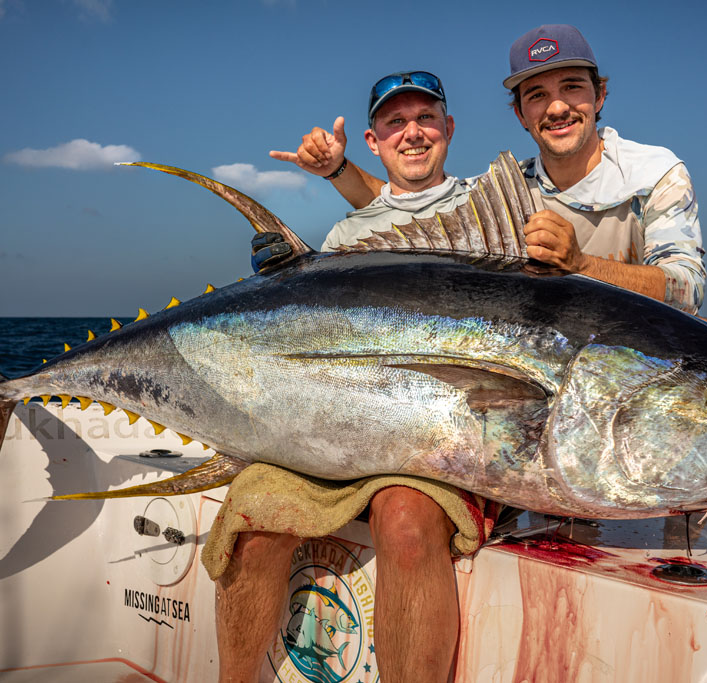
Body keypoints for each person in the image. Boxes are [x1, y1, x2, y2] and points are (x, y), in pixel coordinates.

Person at [218, 70, 481, 683]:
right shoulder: (345, 237)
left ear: (448, 128)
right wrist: (282, 281)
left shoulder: (487, 212)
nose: (411, 132)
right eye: (395, 122)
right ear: (373, 139)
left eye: (425, 118)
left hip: (435, 443)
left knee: (407, 522)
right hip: (337, 435)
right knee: (254, 517)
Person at [272, 24, 706, 315]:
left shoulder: (655, 171)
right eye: (536, 95)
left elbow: (688, 290)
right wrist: (337, 170)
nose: (556, 107)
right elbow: (410, 205)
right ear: (519, 113)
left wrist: (580, 264)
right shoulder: (508, 187)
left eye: (572, 86)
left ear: (600, 95)